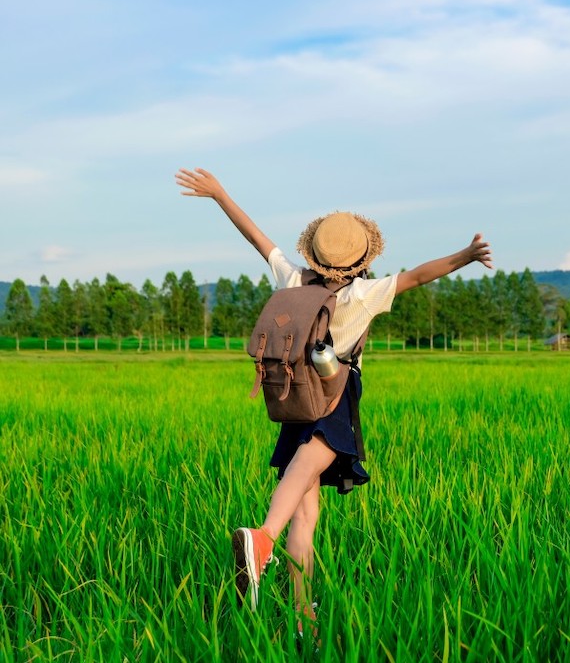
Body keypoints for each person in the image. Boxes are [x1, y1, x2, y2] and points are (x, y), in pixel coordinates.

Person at [175, 167, 492, 634]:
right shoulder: (363, 293)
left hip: (294, 394)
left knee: (307, 512)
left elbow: (257, 238)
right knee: (304, 477)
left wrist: (220, 193)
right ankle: (261, 541)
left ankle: (304, 620)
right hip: (334, 395)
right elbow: (419, 276)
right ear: (362, 256)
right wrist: (465, 255)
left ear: (315, 253)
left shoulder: (292, 279)